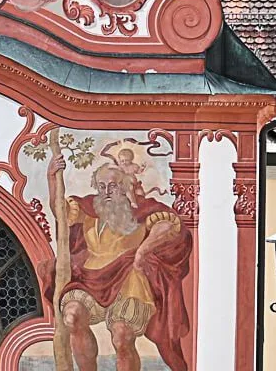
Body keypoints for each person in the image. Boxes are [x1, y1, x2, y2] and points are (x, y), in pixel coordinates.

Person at [45, 159, 192, 371]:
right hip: (90, 278)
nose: (106, 191)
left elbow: (168, 225)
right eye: (102, 186)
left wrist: (143, 250)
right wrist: (52, 178)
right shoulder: (88, 210)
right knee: (72, 316)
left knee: (122, 336)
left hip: (129, 279)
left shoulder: (140, 210)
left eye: (113, 186)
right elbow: (60, 210)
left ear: (123, 187)